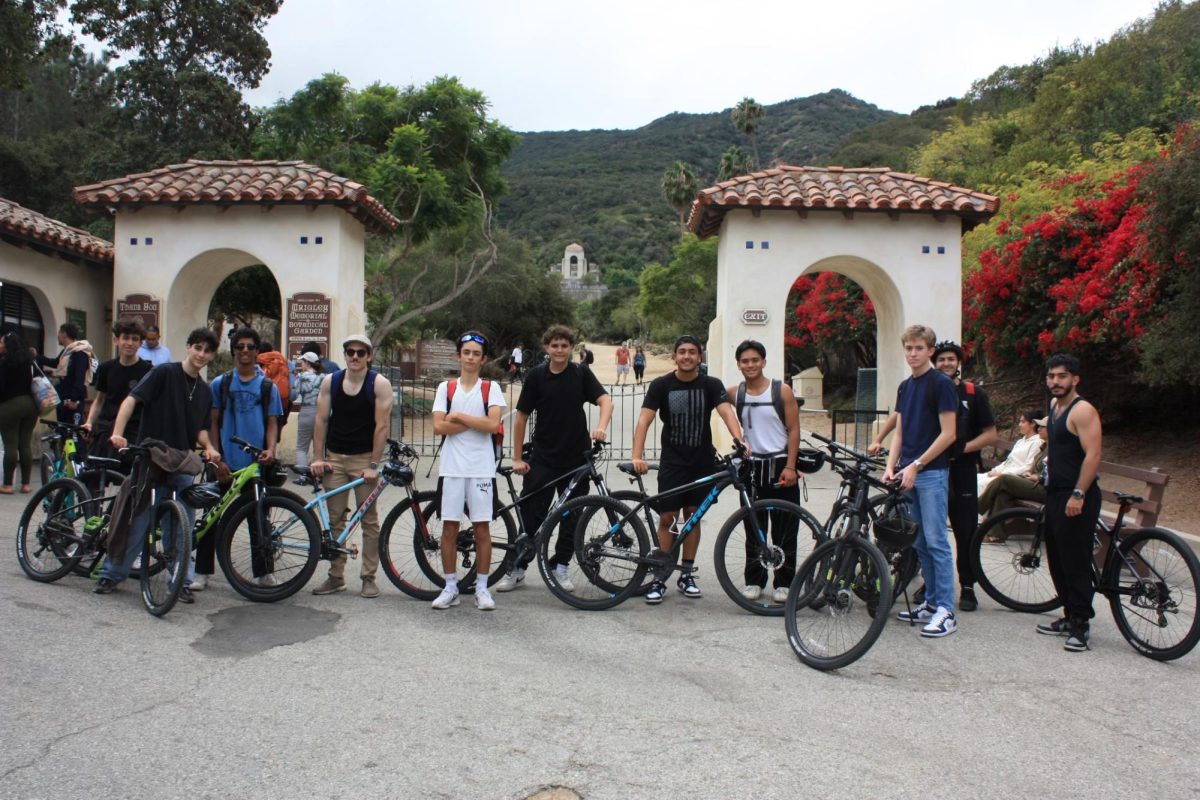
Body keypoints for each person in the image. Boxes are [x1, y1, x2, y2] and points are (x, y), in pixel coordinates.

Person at [93, 328, 222, 602]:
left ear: (211, 355)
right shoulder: (165, 373)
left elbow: (200, 429)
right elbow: (132, 400)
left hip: (181, 461)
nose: (201, 354)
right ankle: (112, 574)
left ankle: (181, 582)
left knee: (182, 524)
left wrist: (209, 447)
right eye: (197, 347)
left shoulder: (204, 392)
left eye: (207, 351)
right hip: (150, 456)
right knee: (136, 519)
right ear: (188, 347)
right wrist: (118, 432)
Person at [494, 324, 612, 593]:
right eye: (555, 346)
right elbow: (521, 416)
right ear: (547, 348)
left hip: (576, 459)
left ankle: (560, 566)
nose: (559, 350)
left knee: (571, 518)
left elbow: (606, 400)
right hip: (543, 457)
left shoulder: (581, 373)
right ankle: (518, 568)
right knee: (531, 516)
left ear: (571, 348)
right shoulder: (536, 376)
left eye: (565, 346)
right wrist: (516, 458)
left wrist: (601, 427)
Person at [631, 334, 745, 604]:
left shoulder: (710, 384)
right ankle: (660, 576)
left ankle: (686, 573)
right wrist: (637, 455)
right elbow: (644, 419)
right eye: (681, 351)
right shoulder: (661, 385)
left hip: (702, 461)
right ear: (674, 356)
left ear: (699, 357)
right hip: (673, 462)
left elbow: (726, 411)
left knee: (693, 516)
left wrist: (739, 439)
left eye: (692, 352)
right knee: (667, 518)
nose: (687, 356)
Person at [881, 325, 958, 638]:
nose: (913, 353)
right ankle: (930, 601)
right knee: (919, 541)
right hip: (907, 473)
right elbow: (900, 431)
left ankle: (946, 610)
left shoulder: (940, 384)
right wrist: (891, 466)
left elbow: (949, 433)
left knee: (937, 540)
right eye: (909, 348)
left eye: (919, 348)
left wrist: (917, 465)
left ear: (930, 351)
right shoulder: (905, 386)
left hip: (931, 474)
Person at [308, 334, 394, 599]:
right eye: (350, 352)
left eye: (360, 352)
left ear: (368, 355)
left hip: (363, 458)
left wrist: (373, 464)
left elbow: (382, 426)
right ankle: (336, 577)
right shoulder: (330, 382)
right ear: (344, 354)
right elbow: (321, 420)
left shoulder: (378, 384)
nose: (355, 357)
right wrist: (318, 457)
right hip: (334, 457)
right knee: (335, 520)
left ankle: (368, 577)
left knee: (369, 520)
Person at [200, 327, 283, 592]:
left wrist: (271, 449)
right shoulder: (220, 384)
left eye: (250, 346)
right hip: (225, 461)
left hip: (255, 465)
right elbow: (212, 421)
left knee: (259, 519)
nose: (245, 351)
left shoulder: (267, 386)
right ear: (233, 350)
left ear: (258, 351)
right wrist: (215, 455)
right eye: (239, 347)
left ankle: (264, 572)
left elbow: (272, 422)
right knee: (211, 516)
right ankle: (201, 570)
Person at [430, 331, 506, 611]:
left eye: (476, 353)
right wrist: (478, 422)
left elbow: (493, 425)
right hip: (452, 468)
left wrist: (460, 417)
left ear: (483, 359)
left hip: (481, 468)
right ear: (458, 356)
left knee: (481, 528)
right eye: (467, 352)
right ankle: (450, 587)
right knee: (449, 528)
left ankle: (482, 588)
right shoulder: (445, 388)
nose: (471, 357)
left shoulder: (490, 389)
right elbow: (438, 427)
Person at [1036, 353, 1103, 652]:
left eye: (1061, 376)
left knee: (1075, 560)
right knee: (1057, 557)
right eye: (1051, 376)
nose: (1055, 382)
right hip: (1055, 491)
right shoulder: (1054, 406)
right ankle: (1068, 613)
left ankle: (1081, 623)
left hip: (1077, 494)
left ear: (1075, 379)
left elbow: (1093, 455)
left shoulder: (1083, 410)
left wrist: (1079, 493)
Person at [726, 340, 800, 603]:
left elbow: (794, 430)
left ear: (764, 362)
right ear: (738, 365)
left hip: (780, 464)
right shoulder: (736, 393)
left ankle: (785, 582)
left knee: (785, 526)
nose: (750, 365)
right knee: (753, 526)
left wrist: (792, 466)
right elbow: (719, 405)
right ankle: (754, 579)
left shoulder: (782, 392)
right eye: (745, 361)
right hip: (752, 466)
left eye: (755, 360)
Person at [932, 340, 997, 612]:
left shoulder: (973, 393)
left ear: (959, 363)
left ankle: (968, 585)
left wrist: (962, 447)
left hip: (963, 469)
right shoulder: (930, 391)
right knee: (932, 531)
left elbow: (990, 434)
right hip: (933, 468)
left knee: (965, 529)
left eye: (951, 359)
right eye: (941, 359)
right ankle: (934, 582)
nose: (946, 363)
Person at [83, 318, 152, 458]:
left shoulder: (148, 371)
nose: (129, 343)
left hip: (132, 432)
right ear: (116, 340)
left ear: (141, 343)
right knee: (93, 475)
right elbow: (99, 400)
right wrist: (89, 422)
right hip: (105, 429)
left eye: (135, 339)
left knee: (125, 477)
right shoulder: (106, 368)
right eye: (125, 338)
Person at [979, 416, 1048, 525]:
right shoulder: (1044, 446)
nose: (1039, 428)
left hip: (1044, 488)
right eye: (1040, 426)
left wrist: (1037, 476)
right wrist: (1030, 472)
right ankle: (994, 532)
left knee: (1004, 479)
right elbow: (1032, 466)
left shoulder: (1051, 448)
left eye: (1043, 427)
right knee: (1003, 492)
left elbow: (1052, 474)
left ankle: (976, 509)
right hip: (1031, 481)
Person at [0, 331, 40, 494]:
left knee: (11, 445)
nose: (0, 345)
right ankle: (26, 484)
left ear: (8, 346)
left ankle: (8, 485)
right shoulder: (30, 361)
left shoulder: (4, 362)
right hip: (31, 405)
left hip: (10, 406)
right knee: (25, 443)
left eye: (2, 343)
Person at [977, 411, 1043, 498]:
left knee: (981, 484)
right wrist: (995, 470)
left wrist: (1002, 474)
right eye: (1019, 421)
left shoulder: (1037, 442)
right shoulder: (1020, 441)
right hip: (1002, 472)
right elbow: (1008, 460)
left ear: (1033, 424)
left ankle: (978, 511)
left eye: (1023, 422)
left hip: (1013, 477)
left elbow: (1028, 467)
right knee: (975, 478)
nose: (1019, 424)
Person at [40, 322, 92, 426]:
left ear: (64, 334)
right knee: (63, 432)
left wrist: (74, 399)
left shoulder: (79, 352)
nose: (57, 336)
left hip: (73, 401)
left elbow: (79, 377)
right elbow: (55, 363)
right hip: (63, 398)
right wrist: (36, 356)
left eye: (59, 333)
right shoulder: (67, 352)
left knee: (74, 434)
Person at [292, 352, 324, 471]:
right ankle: (319, 474)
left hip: (306, 411)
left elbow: (295, 395)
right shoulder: (322, 377)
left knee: (302, 446)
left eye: (303, 362)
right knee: (319, 445)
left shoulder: (301, 377)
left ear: (307, 362)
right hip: (321, 412)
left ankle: (303, 476)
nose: (301, 364)